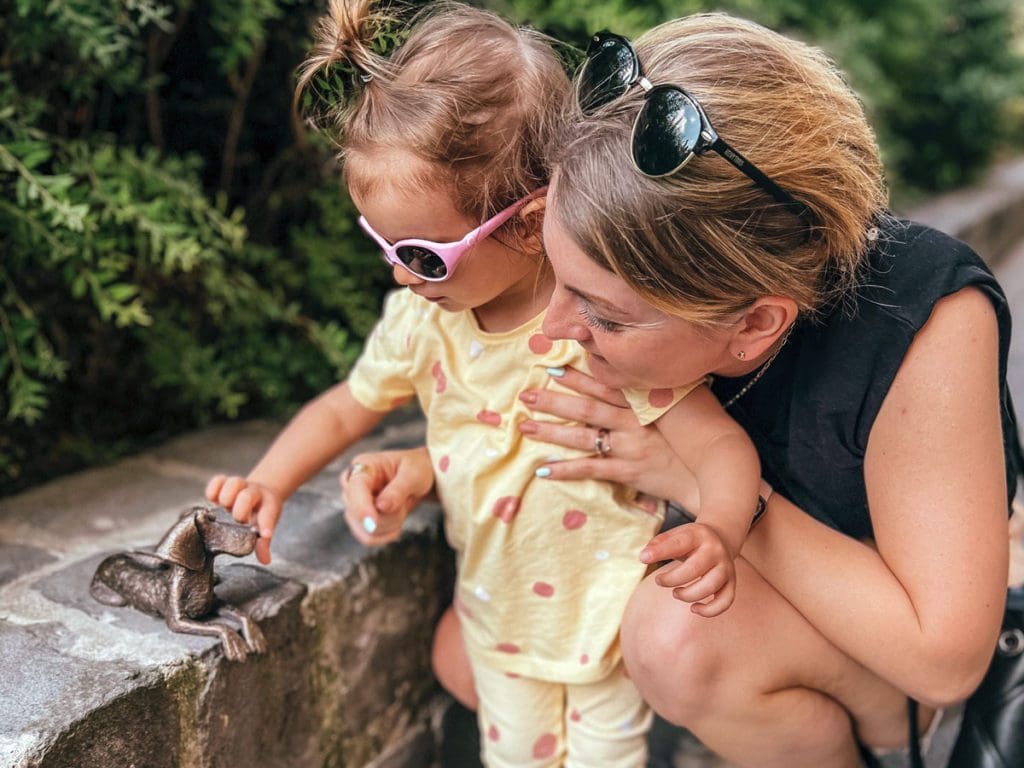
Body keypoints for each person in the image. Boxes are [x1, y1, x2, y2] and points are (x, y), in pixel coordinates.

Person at [342, 12, 1023, 768]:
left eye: (602, 313)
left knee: (678, 639)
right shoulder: (619, 250)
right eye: (554, 281)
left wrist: (690, 479)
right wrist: (428, 467)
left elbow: (943, 660)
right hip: (753, 608)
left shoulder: (925, 319)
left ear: (755, 324)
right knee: (465, 653)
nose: (556, 328)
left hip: (898, 669)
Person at [205, 3, 766, 765]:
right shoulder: (422, 323)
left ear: (531, 223)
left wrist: (720, 531)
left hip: (607, 612)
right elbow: (348, 407)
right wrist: (269, 482)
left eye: (426, 254)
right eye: (383, 245)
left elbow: (722, 448)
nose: (402, 273)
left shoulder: (597, 331)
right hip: (498, 616)